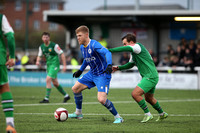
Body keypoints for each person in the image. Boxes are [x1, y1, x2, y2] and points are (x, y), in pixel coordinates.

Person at [68, 25, 123, 123]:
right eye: (77, 36)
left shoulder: (94, 44)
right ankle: (78, 113)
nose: (78, 38)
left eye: (80, 35)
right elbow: (86, 59)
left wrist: (109, 65)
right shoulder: (82, 47)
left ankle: (118, 117)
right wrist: (80, 70)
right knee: (75, 89)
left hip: (102, 74)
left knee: (101, 99)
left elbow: (107, 53)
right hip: (92, 74)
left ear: (86, 35)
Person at [109, 33, 168, 123]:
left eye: (125, 43)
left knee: (135, 94)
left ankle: (148, 114)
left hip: (150, 76)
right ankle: (162, 114)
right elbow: (130, 64)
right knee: (149, 98)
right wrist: (119, 68)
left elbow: (127, 48)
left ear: (131, 42)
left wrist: (109, 50)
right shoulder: (134, 52)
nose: (124, 46)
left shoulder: (137, 46)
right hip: (151, 76)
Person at [36, 32, 70, 103]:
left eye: (47, 37)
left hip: (54, 65)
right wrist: (37, 61)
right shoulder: (41, 47)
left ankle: (46, 98)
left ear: (49, 38)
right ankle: (66, 96)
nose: (45, 39)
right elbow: (39, 56)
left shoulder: (54, 45)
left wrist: (64, 65)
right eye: (44, 37)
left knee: (48, 79)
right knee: (55, 83)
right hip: (48, 66)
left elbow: (62, 54)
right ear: (42, 38)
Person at [0, 14, 17, 133]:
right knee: (4, 88)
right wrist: (11, 56)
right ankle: (10, 124)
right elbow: (10, 36)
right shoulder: (1, 17)